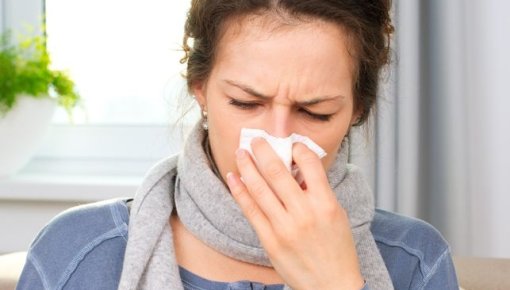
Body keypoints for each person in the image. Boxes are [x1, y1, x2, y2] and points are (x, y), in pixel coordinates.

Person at [16, 1, 459, 289]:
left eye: (316, 112)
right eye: (246, 103)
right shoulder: (80, 252)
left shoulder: (415, 261)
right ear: (200, 88)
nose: (278, 140)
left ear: (357, 110)